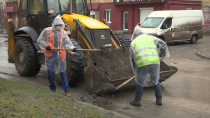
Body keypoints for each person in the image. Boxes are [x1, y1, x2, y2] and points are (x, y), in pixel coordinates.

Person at [129, 25, 170, 106]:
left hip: (143, 63)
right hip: (155, 61)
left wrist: (135, 71)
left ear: (135, 35)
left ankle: (137, 101)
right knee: (155, 81)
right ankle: (159, 100)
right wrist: (162, 55)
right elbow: (163, 44)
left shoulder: (133, 42)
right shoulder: (150, 38)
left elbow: (132, 59)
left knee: (140, 82)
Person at [37, 15, 76, 97]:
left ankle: (67, 90)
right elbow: (39, 40)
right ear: (54, 24)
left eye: (60, 25)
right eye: (57, 25)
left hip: (60, 55)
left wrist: (73, 48)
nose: (58, 26)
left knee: (63, 73)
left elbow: (68, 44)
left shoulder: (63, 33)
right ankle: (52, 88)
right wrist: (46, 46)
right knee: (51, 73)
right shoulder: (47, 31)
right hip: (50, 55)